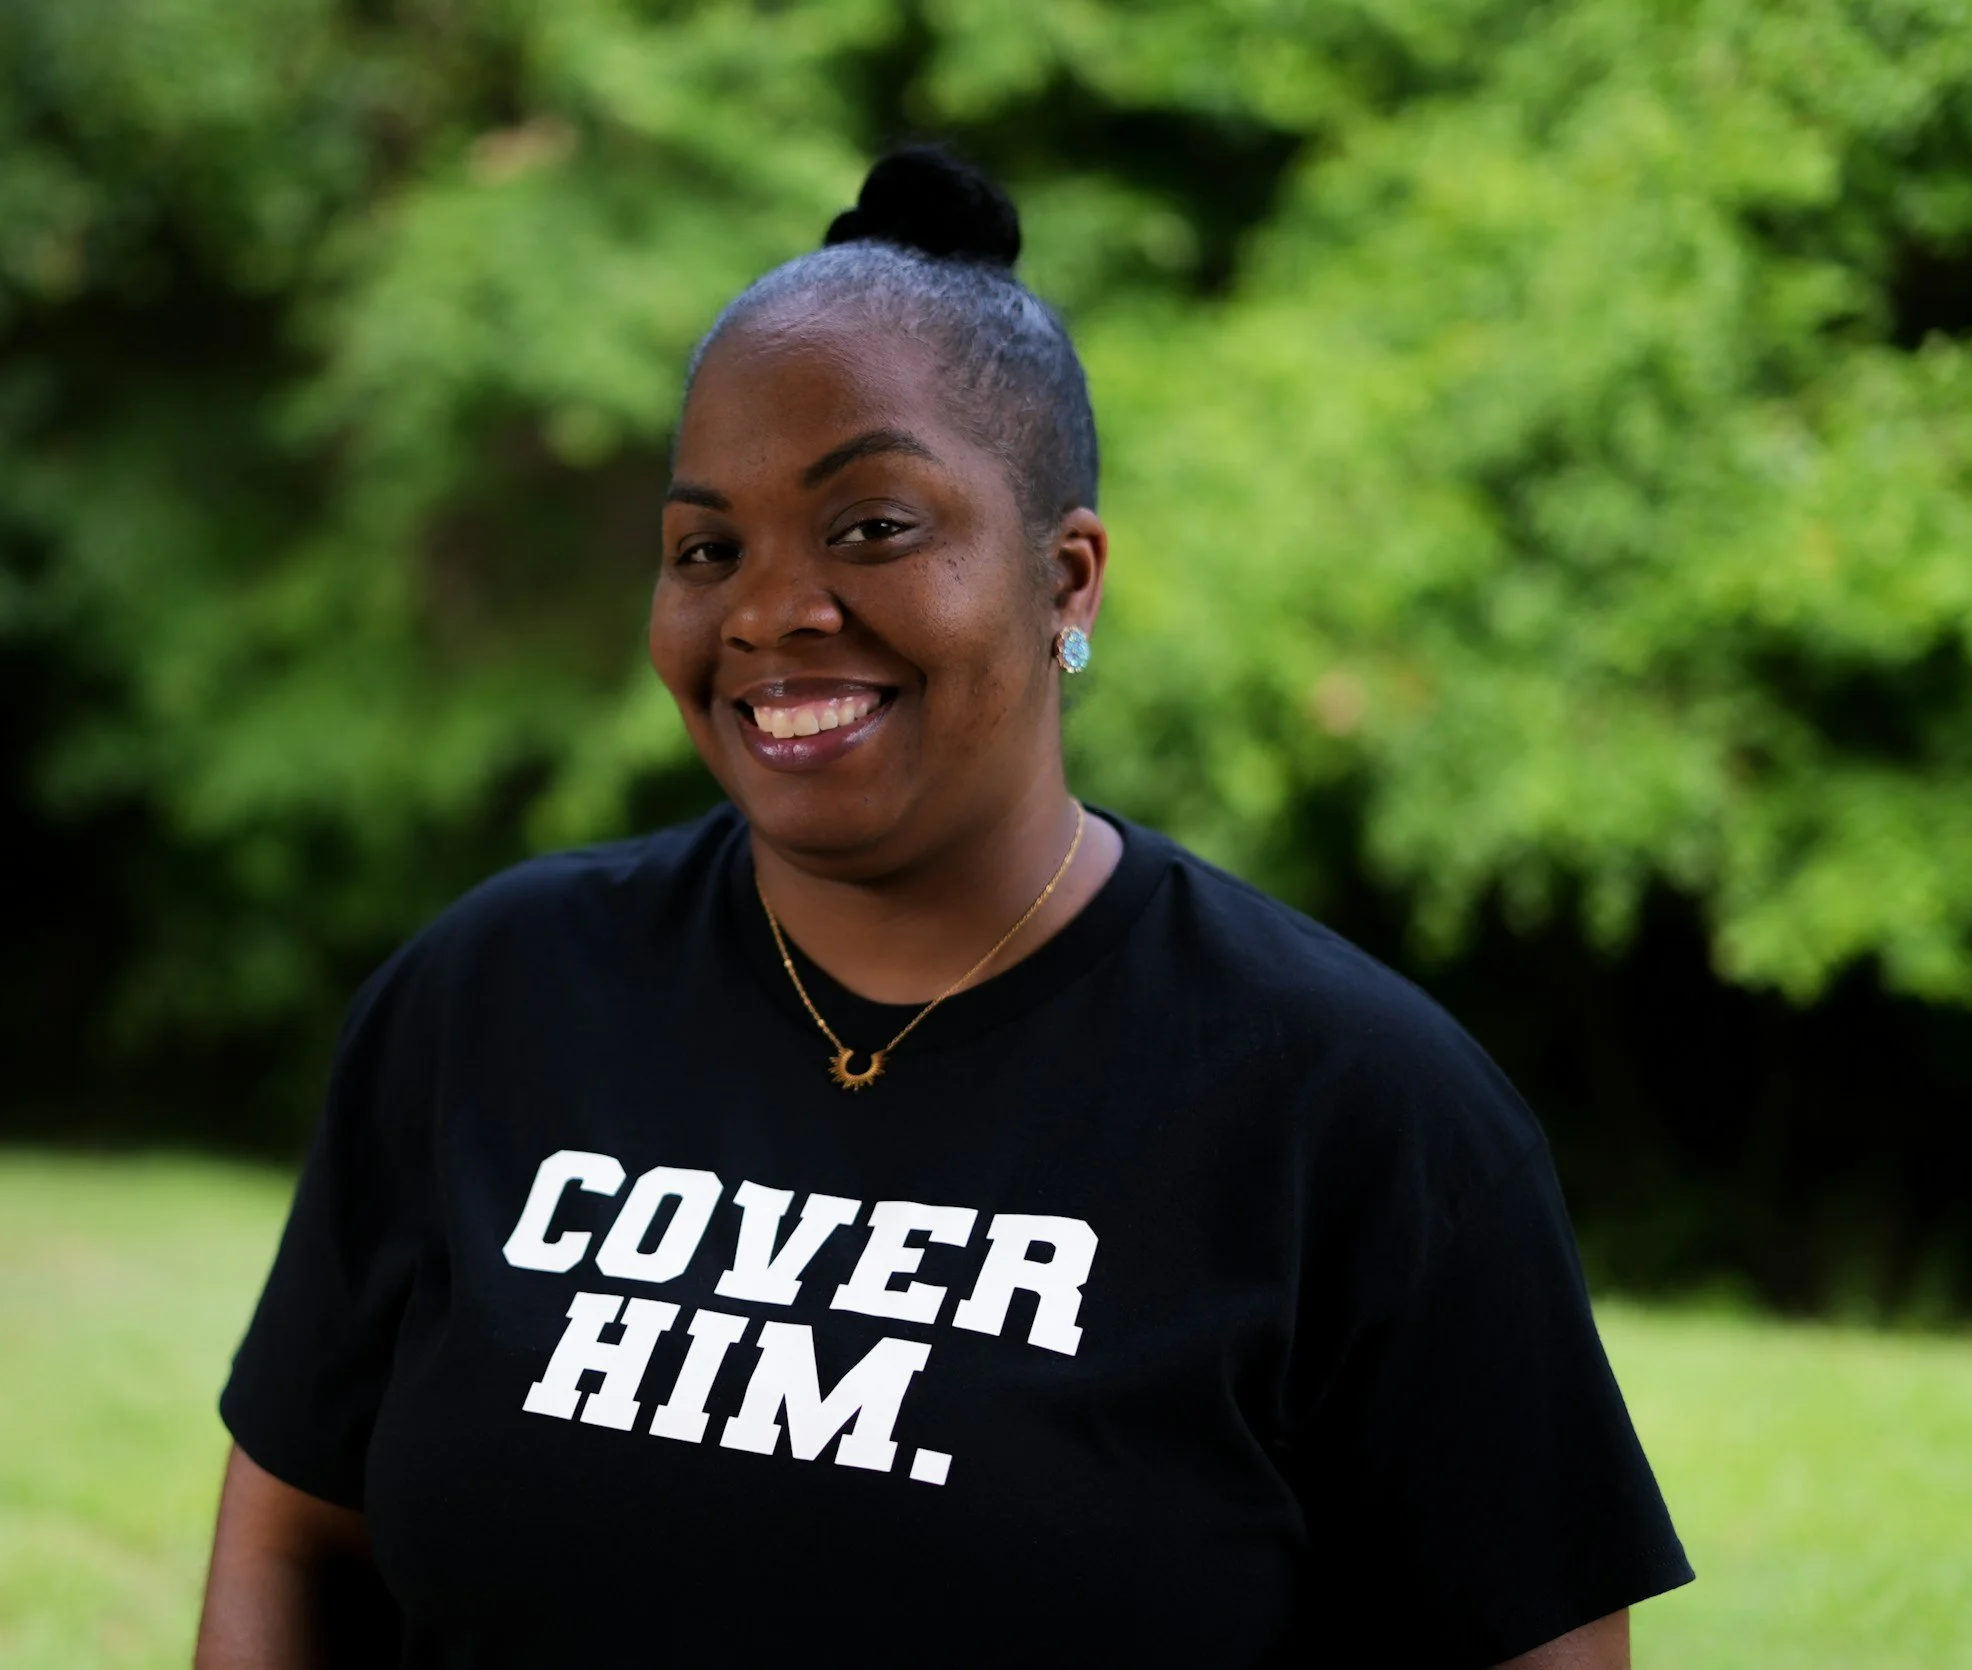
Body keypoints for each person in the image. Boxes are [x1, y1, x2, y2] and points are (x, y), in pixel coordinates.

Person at [194, 147, 1694, 1668]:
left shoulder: (1363, 1110)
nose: (771, 610)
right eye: (707, 548)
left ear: (1069, 579)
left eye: (872, 527)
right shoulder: (490, 996)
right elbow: (291, 1530)